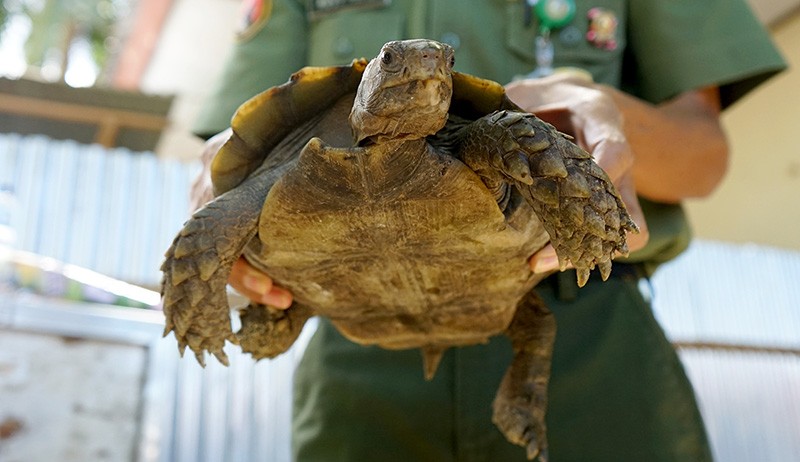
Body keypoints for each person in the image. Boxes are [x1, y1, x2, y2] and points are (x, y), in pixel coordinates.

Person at [191, 1, 785, 460]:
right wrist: (208, 226)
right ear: (373, 79)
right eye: (397, 65)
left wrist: (602, 113)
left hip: (576, 321)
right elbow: (230, 148)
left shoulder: (488, 134)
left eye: (437, 68)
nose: (423, 72)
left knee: (511, 138)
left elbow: (704, 154)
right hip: (349, 338)